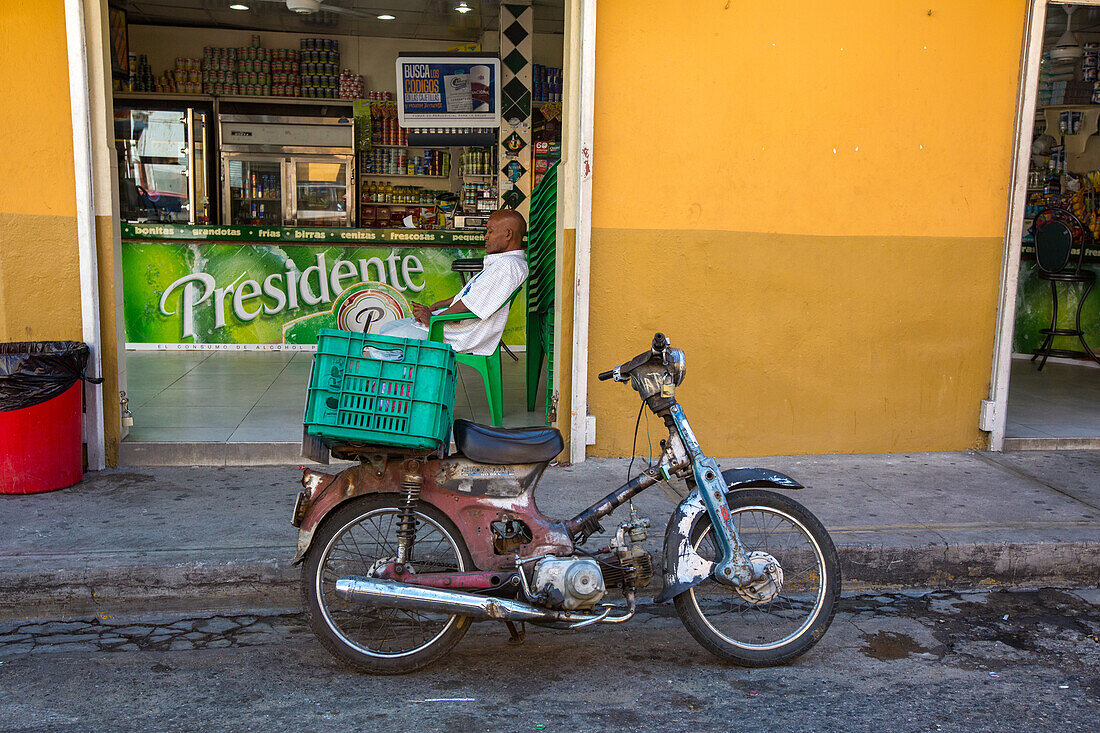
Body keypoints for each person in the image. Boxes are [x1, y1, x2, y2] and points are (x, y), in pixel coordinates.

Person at [377, 209, 528, 355]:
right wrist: (441, 305)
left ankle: (409, 379)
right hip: (450, 325)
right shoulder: (505, 263)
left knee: (379, 346)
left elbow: (470, 306)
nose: (485, 236)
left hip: (457, 335)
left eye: (490, 231)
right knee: (386, 328)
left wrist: (433, 320)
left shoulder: (508, 266)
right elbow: (475, 296)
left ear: (508, 234)